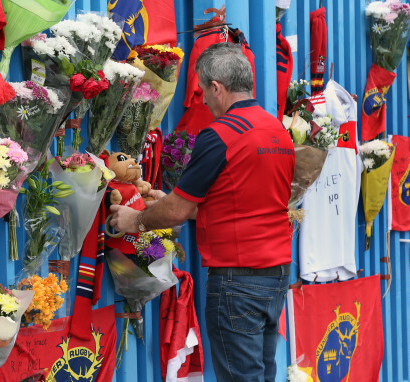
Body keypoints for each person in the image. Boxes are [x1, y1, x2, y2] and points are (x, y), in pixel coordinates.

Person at [109, 42, 295, 381]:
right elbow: (246, 203)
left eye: (204, 92)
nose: (205, 102)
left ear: (217, 88)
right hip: (275, 275)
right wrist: (172, 201)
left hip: (237, 281)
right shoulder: (277, 131)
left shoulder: (222, 134)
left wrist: (133, 220)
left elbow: (178, 211)